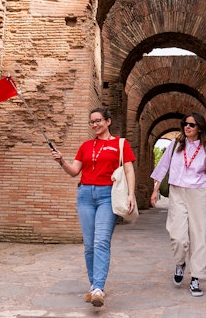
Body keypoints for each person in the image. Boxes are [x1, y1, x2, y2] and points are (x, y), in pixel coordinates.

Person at [51, 108, 136, 307]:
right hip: (85, 196)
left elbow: (129, 170)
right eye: (92, 122)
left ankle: (98, 287)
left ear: (108, 121)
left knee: (101, 242)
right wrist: (62, 161)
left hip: (108, 195)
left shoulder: (120, 144)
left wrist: (131, 194)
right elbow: (74, 171)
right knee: (89, 246)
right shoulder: (86, 146)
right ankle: (93, 287)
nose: (95, 125)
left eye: (98, 121)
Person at [150, 112, 206, 297]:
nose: (187, 127)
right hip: (177, 192)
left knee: (200, 236)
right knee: (177, 236)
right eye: (185, 123)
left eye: (192, 125)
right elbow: (162, 166)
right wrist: (155, 190)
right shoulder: (175, 145)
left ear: (199, 128)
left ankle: (196, 278)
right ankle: (180, 262)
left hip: (198, 194)